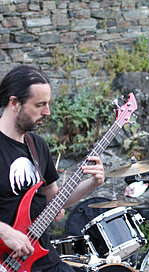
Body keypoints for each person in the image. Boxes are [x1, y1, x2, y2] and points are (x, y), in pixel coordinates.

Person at [0, 65, 105, 272]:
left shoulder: (36, 145)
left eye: (48, 104)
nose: (47, 112)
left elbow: (54, 199)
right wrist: (4, 231)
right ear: (14, 103)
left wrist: (92, 183)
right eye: (40, 105)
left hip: (41, 256)